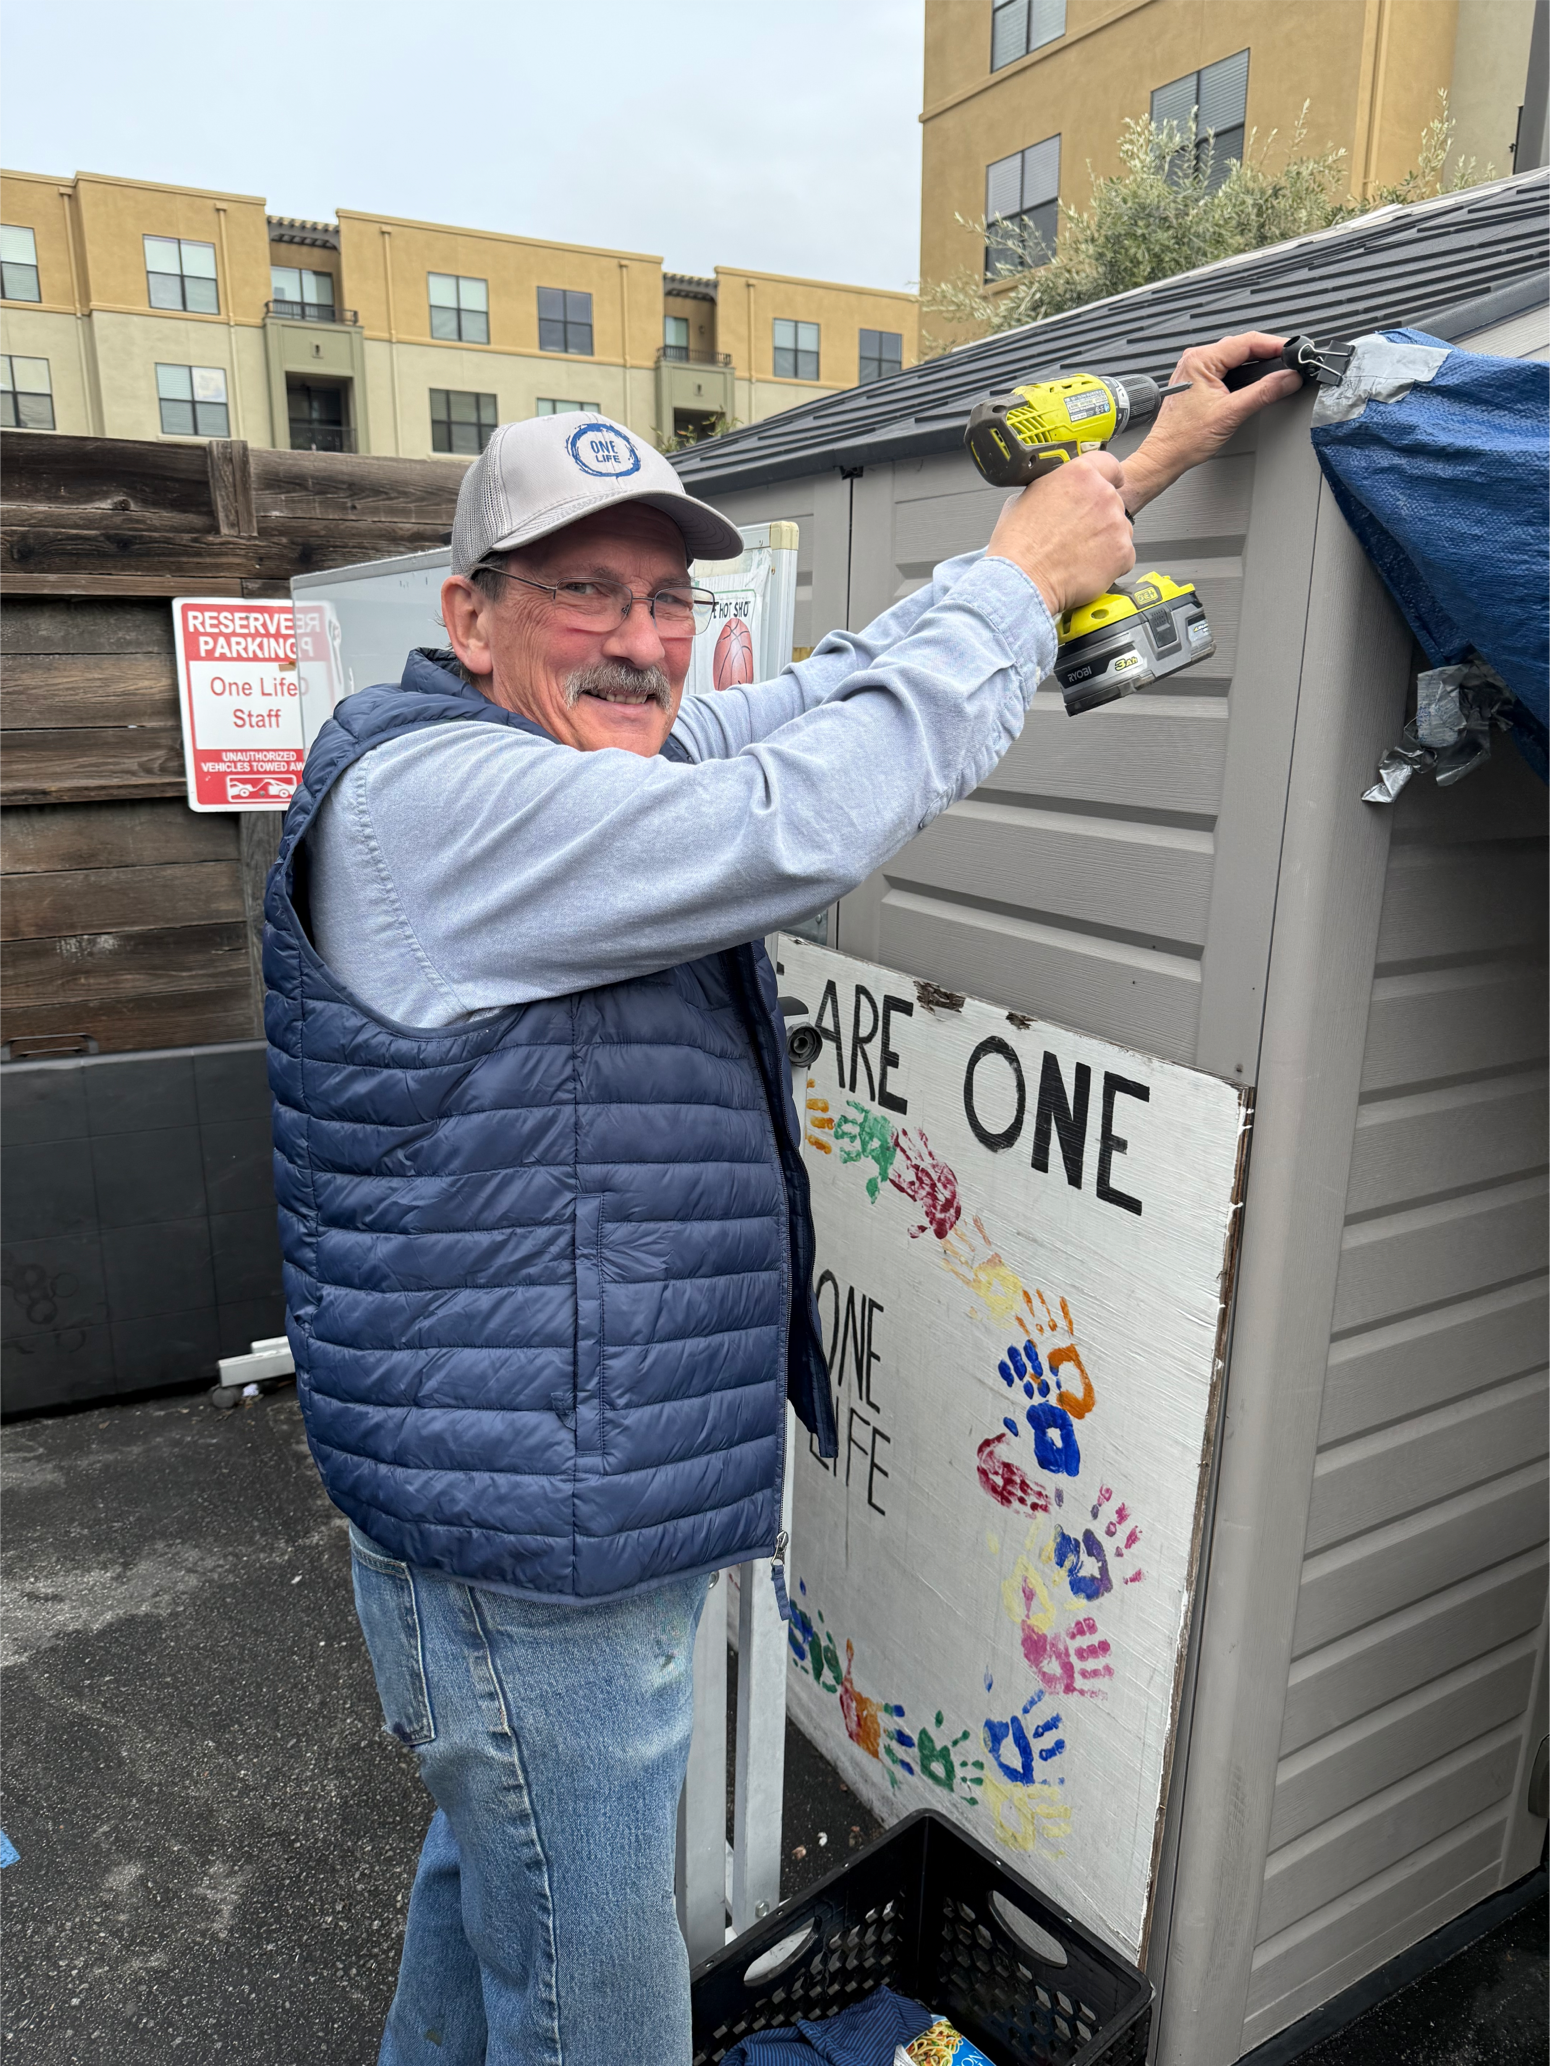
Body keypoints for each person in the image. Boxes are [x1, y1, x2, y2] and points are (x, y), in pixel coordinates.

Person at [264, 332, 1300, 2066]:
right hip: (540, 1548)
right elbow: (796, 817)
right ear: (468, 617)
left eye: (668, 598)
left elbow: (826, 687)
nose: (641, 637)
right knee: (596, 2000)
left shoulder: (580, 760)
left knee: (497, 1889)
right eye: (583, 590)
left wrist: (1133, 471)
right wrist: (1022, 590)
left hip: (550, 1512)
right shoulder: (441, 805)